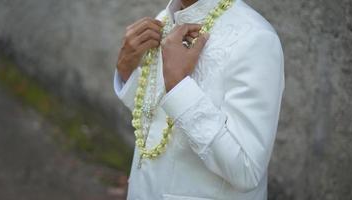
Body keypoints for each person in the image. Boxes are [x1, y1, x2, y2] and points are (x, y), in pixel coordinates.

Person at [113, 0, 285, 199]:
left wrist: (179, 86)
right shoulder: (165, 19)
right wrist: (126, 69)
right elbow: (158, 123)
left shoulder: (256, 38)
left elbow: (247, 170)